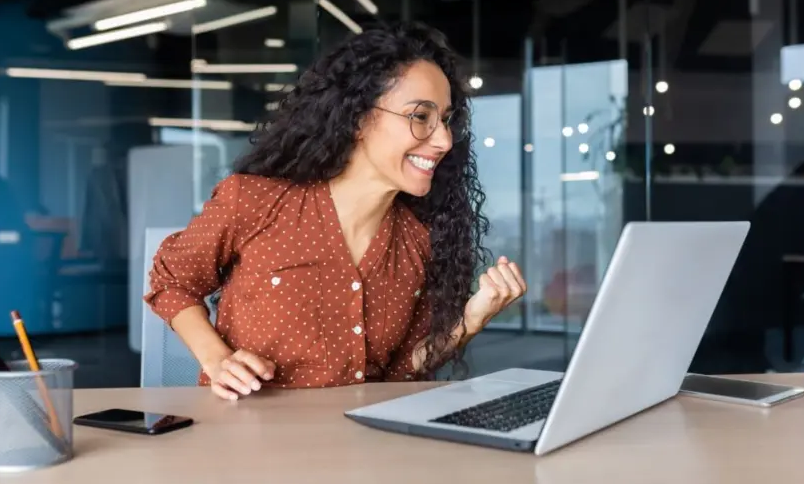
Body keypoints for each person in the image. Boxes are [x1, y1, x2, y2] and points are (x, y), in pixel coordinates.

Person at [144, 22, 527, 400]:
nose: (443, 140)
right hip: (247, 446)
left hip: (357, 449)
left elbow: (400, 373)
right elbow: (172, 280)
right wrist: (216, 359)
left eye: (445, 120)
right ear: (359, 118)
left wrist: (470, 321)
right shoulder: (254, 201)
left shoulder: (417, 242)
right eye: (420, 117)